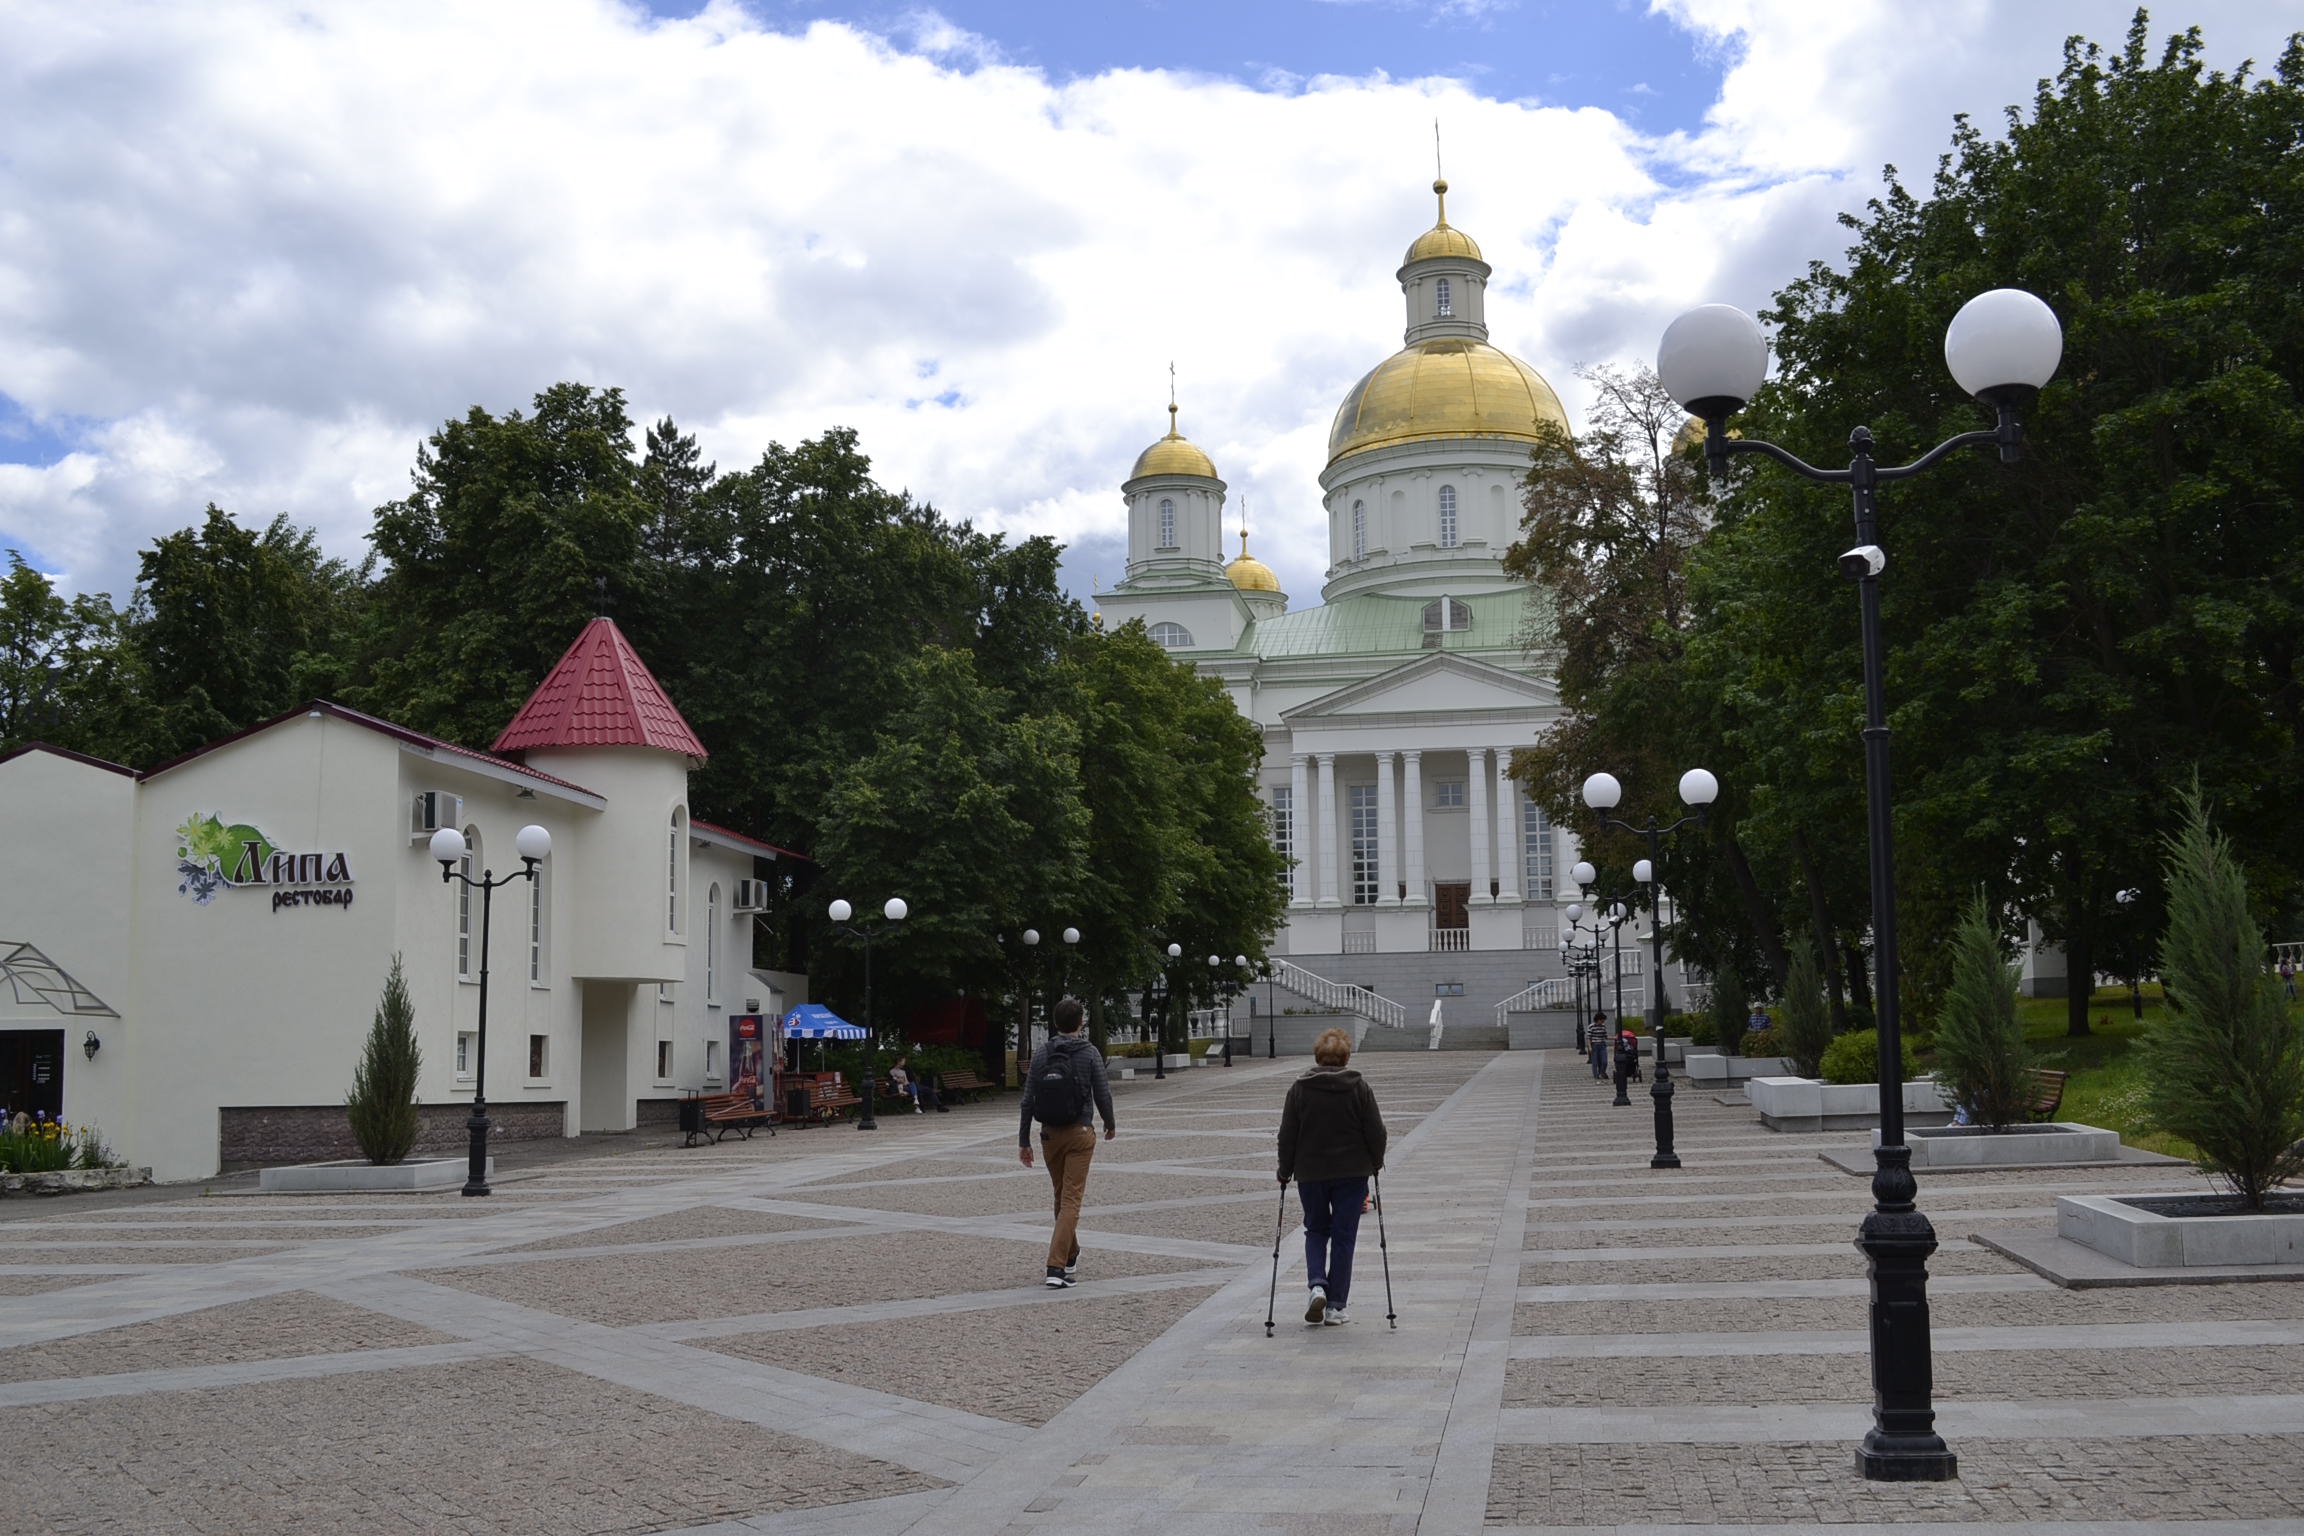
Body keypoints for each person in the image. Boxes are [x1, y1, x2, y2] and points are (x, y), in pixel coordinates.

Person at [1276, 1026, 1388, 1327]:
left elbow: (1287, 1135)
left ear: (1317, 1057)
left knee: (1315, 1229)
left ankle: (1316, 1284)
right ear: (1347, 1057)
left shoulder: (1299, 1089)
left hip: (1311, 1172)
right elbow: (1376, 1131)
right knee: (1343, 1235)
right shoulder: (1359, 1087)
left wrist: (1284, 1170)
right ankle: (1336, 1306)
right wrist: (1376, 1163)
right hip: (1352, 1173)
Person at [1018, 997, 1115, 1288]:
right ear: (1081, 1022)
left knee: (1061, 1198)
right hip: (1080, 1133)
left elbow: (1027, 1100)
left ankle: (1071, 1253)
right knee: (1071, 1200)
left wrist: (1024, 1140)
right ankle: (1056, 1267)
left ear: (1056, 1023)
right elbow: (1102, 1093)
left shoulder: (1042, 1053)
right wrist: (1110, 1124)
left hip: (1049, 1134)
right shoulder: (1089, 1053)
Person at [1586, 1009, 1611, 1079]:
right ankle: (1596, 1075)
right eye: (1602, 1020)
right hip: (1594, 1045)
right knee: (1595, 1062)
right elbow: (1588, 1037)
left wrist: (1615, 1038)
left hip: (1602, 1045)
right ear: (1598, 1019)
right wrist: (1590, 1047)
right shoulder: (1591, 1026)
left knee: (1604, 1061)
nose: (1603, 1021)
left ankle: (1602, 1072)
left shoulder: (1603, 1026)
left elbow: (1605, 1036)